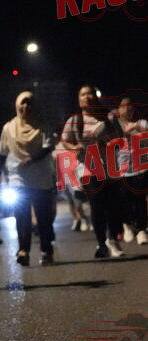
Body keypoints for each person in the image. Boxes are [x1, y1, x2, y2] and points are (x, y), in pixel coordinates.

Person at [61, 85, 124, 258]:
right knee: (97, 205)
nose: (87, 96)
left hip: (109, 168)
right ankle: (101, 242)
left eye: (89, 93)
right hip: (87, 169)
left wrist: (107, 143)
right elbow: (65, 140)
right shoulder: (75, 121)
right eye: (83, 94)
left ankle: (113, 239)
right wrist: (75, 147)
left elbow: (120, 139)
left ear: (95, 97)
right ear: (79, 100)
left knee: (112, 205)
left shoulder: (109, 118)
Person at [0, 92, 56, 266]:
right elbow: (2, 153)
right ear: (17, 105)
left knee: (43, 217)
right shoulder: (9, 128)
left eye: (29, 103)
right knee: (21, 216)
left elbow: (48, 146)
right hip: (18, 178)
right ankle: (23, 250)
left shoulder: (42, 126)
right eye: (23, 103)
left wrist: (32, 158)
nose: (26, 107)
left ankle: (46, 250)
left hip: (41, 178)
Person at [114, 96, 148, 246]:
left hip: (140, 168)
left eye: (129, 105)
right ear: (118, 109)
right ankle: (127, 226)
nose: (127, 108)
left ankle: (141, 230)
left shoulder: (141, 123)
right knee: (123, 200)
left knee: (140, 199)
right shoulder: (114, 125)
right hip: (121, 170)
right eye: (123, 106)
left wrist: (134, 127)